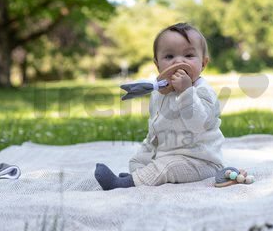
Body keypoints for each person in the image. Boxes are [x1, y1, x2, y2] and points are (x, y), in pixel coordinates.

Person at [95, 22, 225, 190]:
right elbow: (156, 126)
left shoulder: (203, 92)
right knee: (138, 160)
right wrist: (148, 149)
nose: (178, 61)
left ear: (203, 63)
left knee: (166, 166)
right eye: (169, 56)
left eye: (189, 55)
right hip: (168, 152)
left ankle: (122, 183)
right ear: (157, 65)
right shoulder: (159, 91)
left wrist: (186, 91)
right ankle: (140, 177)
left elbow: (197, 124)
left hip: (200, 161)